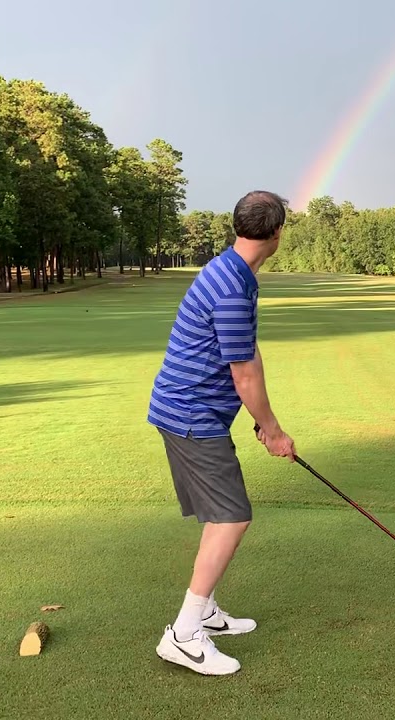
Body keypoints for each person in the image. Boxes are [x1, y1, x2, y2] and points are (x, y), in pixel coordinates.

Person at [147, 190, 297, 676]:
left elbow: (248, 353)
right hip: (191, 415)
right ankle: (184, 632)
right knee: (231, 516)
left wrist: (263, 419)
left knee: (222, 513)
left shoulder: (233, 271)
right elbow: (244, 374)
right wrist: (273, 432)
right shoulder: (234, 286)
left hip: (189, 410)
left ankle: (206, 611)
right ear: (275, 234)